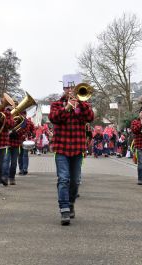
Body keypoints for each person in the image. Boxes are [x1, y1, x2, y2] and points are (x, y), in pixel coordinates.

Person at [48, 83, 94, 225]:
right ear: (64, 89)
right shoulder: (56, 104)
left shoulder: (83, 104)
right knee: (63, 179)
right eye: (68, 88)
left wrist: (81, 103)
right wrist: (67, 107)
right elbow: (53, 118)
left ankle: (71, 202)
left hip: (77, 147)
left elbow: (90, 117)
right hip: (61, 147)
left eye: (73, 88)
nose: (70, 91)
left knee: (75, 180)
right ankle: (64, 210)